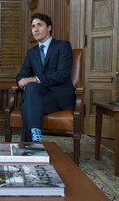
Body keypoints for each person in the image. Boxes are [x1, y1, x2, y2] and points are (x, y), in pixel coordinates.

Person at [16, 13, 75, 142]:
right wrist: (20, 80)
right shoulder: (32, 52)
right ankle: (36, 136)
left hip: (59, 97)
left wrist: (35, 79)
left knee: (27, 107)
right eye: (33, 26)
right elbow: (22, 74)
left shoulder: (63, 46)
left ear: (49, 27)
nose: (35, 29)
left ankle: (28, 147)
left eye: (39, 25)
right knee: (30, 88)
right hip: (39, 95)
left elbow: (63, 74)